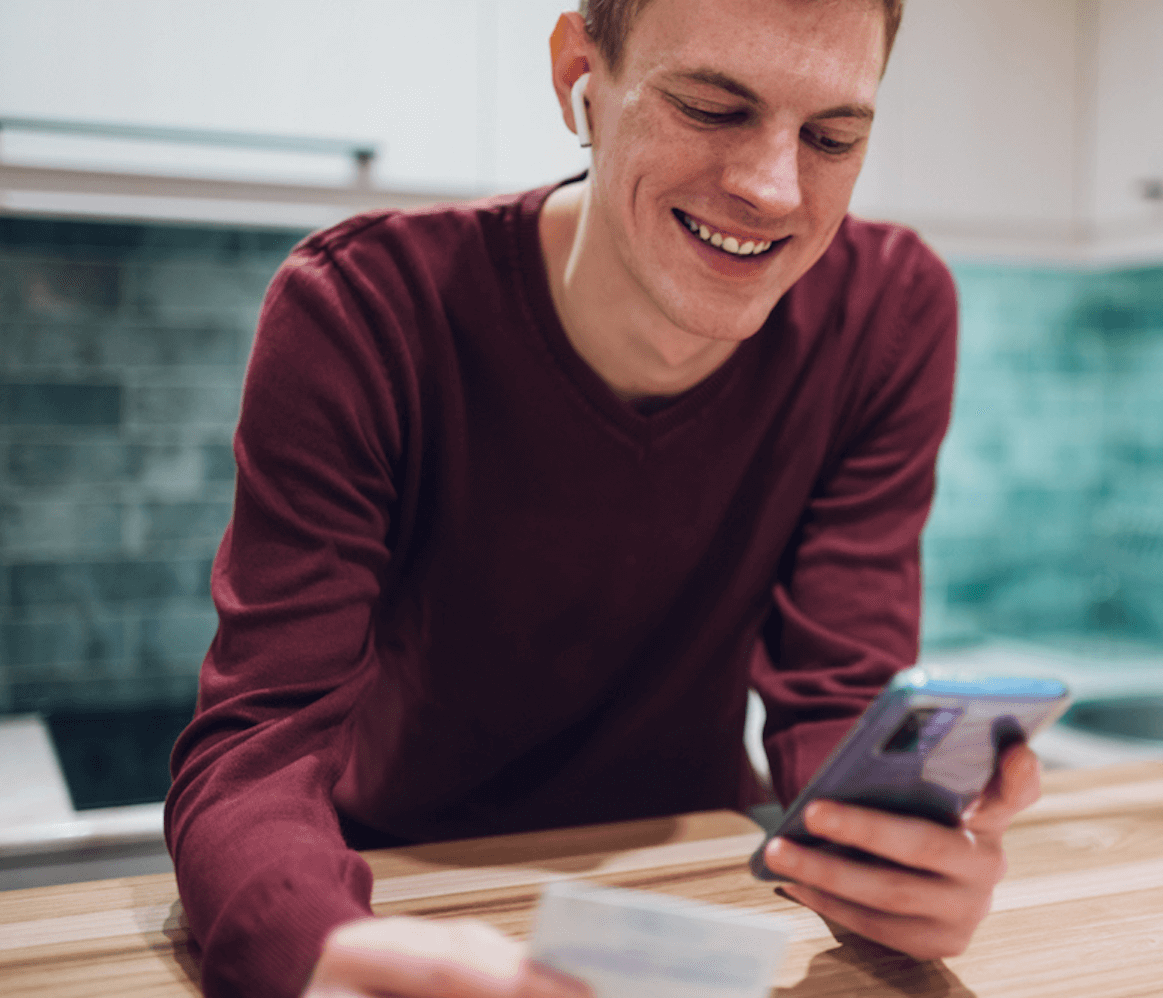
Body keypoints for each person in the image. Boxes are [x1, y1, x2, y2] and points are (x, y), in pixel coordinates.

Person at [165, 1, 1042, 996]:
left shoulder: (889, 313)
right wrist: (315, 945)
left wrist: (899, 843)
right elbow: (257, 746)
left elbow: (837, 688)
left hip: (704, 893)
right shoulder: (361, 311)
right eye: (712, 108)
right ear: (578, 72)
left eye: (831, 137)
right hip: (401, 891)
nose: (771, 187)